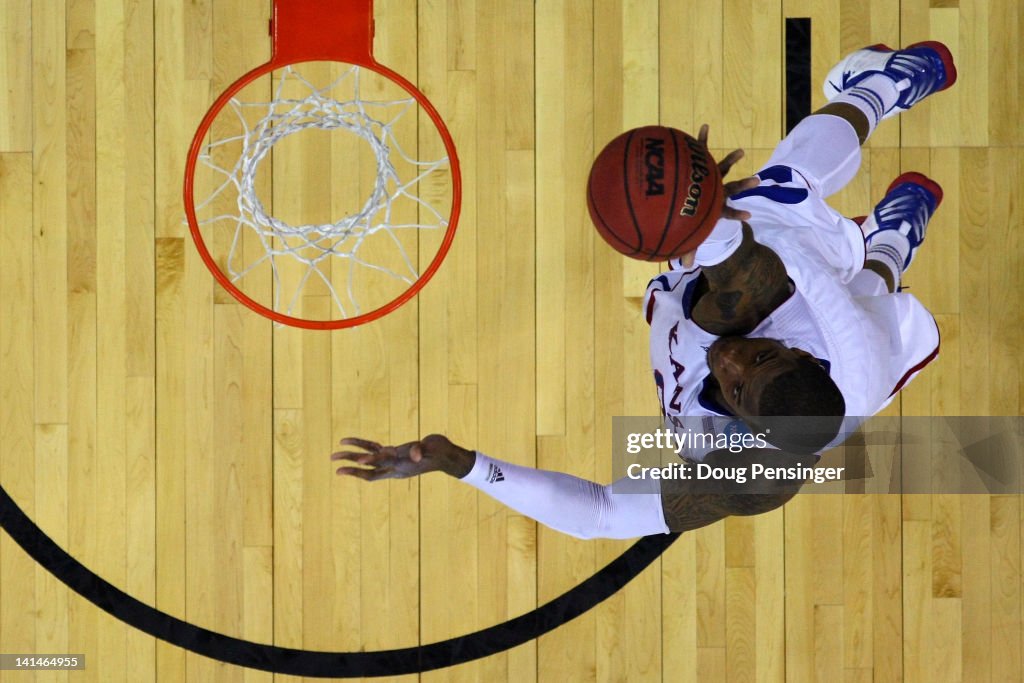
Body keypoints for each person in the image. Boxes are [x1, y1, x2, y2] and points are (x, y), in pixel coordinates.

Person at [332, 42, 957, 539]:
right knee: (787, 181)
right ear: (793, 350)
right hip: (803, 280)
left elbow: (600, 515)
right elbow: (732, 260)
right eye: (760, 355)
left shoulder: (753, 474)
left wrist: (465, 465)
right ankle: (881, 86)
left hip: (861, 354)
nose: (732, 358)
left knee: (872, 290)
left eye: (737, 386)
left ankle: (892, 237)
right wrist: (700, 206)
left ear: (752, 432)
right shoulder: (759, 301)